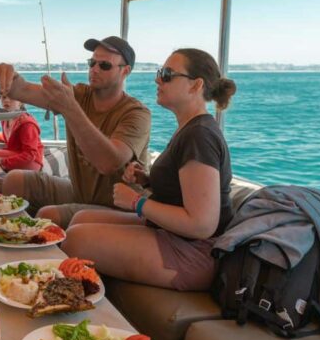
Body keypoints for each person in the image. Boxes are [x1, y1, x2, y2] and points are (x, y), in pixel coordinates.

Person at [61, 48, 236, 291]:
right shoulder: (190, 129)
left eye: (167, 74)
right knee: (81, 218)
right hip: (174, 234)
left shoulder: (200, 136)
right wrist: (146, 181)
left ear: (196, 85)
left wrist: (137, 202)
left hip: (196, 252)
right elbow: (184, 192)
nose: (157, 79)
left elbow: (202, 224)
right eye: (159, 72)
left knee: (76, 239)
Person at [0, 36, 151, 227]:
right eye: (92, 63)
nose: (94, 69)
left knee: (48, 215)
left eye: (104, 65)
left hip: (120, 207)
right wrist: (8, 77)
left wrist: (70, 108)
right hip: (80, 193)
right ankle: (13, 235)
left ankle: (32, 237)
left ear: (125, 71)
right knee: (14, 180)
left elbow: (108, 162)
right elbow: (23, 90)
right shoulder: (79, 95)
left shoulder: (136, 114)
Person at [0, 96, 43, 185]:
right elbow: (10, 137)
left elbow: (30, 155)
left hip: (31, 163)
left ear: (21, 102)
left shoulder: (27, 123)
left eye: (11, 97)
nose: (6, 100)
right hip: (17, 158)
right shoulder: (6, 118)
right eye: (4, 97)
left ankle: (3, 179)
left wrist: (2, 161)